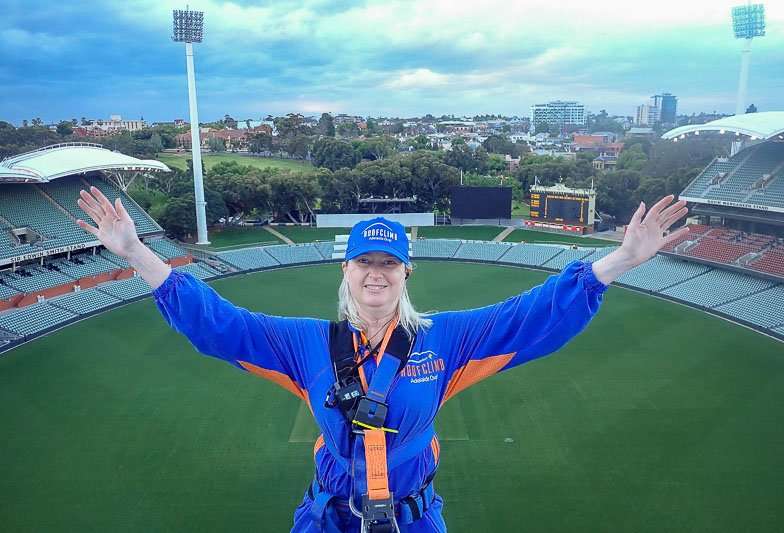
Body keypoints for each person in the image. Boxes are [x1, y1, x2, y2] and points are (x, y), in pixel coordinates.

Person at [76, 187, 689, 532]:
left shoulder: (445, 341)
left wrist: (618, 262)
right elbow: (222, 328)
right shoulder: (305, 343)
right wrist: (137, 254)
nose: (377, 273)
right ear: (347, 271)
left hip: (414, 519)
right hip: (327, 516)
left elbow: (530, 316)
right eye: (365, 262)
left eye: (388, 263)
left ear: (404, 273)